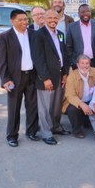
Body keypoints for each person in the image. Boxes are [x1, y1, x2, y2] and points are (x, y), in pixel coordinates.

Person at [0, 9, 39, 147]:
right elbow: (2, 62)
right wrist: (5, 79)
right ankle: (12, 136)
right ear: (12, 21)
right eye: (20, 20)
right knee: (14, 108)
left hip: (31, 76)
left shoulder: (33, 34)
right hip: (15, 78)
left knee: (32, 106)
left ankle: (32, 131)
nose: (24, 22)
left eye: (26, 19)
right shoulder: (4, 37)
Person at [31, 9, 70, 145]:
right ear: (44, 19)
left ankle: (56, 127)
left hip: (59, 76)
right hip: (46, 78)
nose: (53, 20)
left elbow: (64, 54)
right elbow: (38, 58)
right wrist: (45, 78)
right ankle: (46, 133)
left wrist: (65, 73)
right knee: (45, 107)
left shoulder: (60, 34)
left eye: (55, 18)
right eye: (50, 18)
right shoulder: (39, 35)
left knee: (56, 105)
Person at [62, 54, 95, 139]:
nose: (85, 66)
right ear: (77, 64)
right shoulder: (72, 76)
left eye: (87, 63)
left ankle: (87, 122)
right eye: (82, 63)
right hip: (78, 103)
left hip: (91, 102)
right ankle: (77, 130)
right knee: (72, 109)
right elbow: (70, 95)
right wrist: (81, 104)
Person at [66, 4, 95, 69]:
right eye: (82, 12)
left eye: (88, 11)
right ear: (79, 14)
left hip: (94, 62)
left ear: (90, 13)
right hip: (78, 63)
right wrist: (72, 61)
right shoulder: (71, 27)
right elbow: (68, 46)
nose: (85, 14)